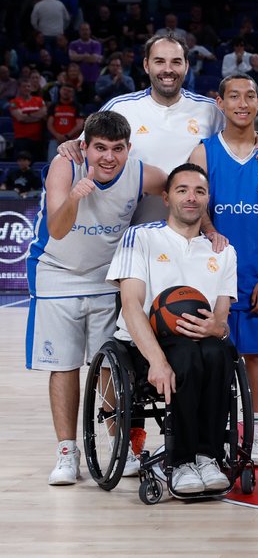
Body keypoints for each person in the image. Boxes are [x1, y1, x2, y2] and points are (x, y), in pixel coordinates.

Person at [28, 111, 166, 485]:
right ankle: (66, 452)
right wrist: (75, 195)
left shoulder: (140, 173)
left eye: (117, 149)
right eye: (100, 148)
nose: (108, 157)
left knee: (109, 367)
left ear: (128, 149)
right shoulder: (66, 164)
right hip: (56, 271)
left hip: (106, 278)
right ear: (84, 146)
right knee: (65, 364)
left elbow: (181, 187)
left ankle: (115, 445)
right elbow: (56, 229)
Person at [106, 163, 237, 494]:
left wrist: (217, 329)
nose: (191, 198)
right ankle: (179, 462)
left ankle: (207, 456)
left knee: (219, 352)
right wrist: (156, 361)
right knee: (185, 358)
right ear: (166, 197)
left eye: (199, 191)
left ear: (208, 199)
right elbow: (131, 304)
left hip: (198, 342)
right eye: (182, 190)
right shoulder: (141, 237)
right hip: (145, 346)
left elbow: (221, 320)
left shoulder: (223, 251)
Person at [58, 35, 258, 223]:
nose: (168, 69)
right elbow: (84, 148)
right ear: (146, 65)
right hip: (132, 227)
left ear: (186, 66)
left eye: (176, 62)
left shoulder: (208, 110)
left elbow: (241, 137)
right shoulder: (121, 107)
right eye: (159, 61)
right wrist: (72, 144)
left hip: (194, 230)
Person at [187, 74, 258, 468]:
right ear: (220, 102)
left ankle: (257, 433)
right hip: (211, 275)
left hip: (255, 274)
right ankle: (208, 434)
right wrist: (211, 231)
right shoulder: (203, 152)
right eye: (234, 96)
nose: (242, 103)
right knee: (208, 355)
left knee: (256, 357)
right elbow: (194, 208)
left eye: (249, 96)